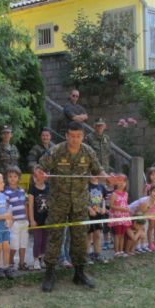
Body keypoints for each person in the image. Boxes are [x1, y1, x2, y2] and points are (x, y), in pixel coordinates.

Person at [34, 121, 108, 292]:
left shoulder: (88, 151)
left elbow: (98, 170)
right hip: (58, 202)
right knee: (55, 237)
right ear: (66, 135)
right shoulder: (56, 151)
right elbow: (39, 168)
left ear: (83, 136)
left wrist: (109, 178)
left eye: (78, 136)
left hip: (80, 203)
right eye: (72, 136)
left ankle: (79, 273)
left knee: (80, 238)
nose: (75, 139)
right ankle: (50, 274)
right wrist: (39, 174)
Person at [4, 166, 29, 271]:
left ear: (19, 178)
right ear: (7, 178)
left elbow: (25, 205)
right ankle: (10, 262)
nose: (12, 178)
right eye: (10, 176)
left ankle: (22, 263)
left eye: (15, 176)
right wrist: (10, 221)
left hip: (24, 221)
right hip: (14, 223)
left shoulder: (22, 191)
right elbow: (6, 208)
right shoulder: (6, 193)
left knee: (23, 243)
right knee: (14, 244)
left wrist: (27, 218)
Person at [28, 167, 50, 270]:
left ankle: (42, 259)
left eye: (41, 174)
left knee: (45, 240)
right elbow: (30, 206)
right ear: (34, 177)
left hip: (47, 220)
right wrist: (32, 220)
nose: (39, 177)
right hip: (37, 220)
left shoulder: (48, 186)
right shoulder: (32, 189)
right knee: (37, 241)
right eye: (36, 175)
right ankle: (36, 259)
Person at [109, 174, 133, 257]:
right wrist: (122, 209)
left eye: (124, 181)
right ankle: (116, 251)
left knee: (122, 234)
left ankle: (121, 250)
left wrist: (127, 209)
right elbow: (111, 206)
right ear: (116, 182)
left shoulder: (126, 194)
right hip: (117, 217)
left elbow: (125, 204)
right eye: (120, 181)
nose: (122, 183)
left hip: (124, 217)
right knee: (117, 234)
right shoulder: (114, 194)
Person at [87, 175, 107, 263]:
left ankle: (97, 254)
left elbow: (103, 199)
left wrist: (103, 208)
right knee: (88, 235)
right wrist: (90, 209)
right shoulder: (86, 186)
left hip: (98, 215)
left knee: (98, 235)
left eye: (96, 174)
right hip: (89, 215)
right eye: (92, 174)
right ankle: (87, 255)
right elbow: (83, 200)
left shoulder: (101, 186)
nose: (94, 176)